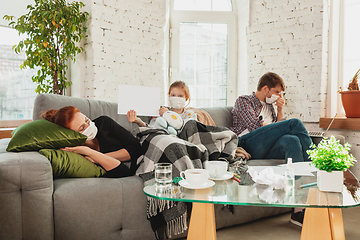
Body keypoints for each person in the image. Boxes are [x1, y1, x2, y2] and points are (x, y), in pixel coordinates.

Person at [231, 72, 311, 227]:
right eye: (276, 92)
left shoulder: (270, 107)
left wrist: (280, 111)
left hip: (265, 148)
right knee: (294, 123)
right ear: (265, 88)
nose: (278, 96)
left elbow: (276, 131)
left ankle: (298, 210)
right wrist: (280, 126)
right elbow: (254, 127)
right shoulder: (244, 100)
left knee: (292, 140)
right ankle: (314, 166)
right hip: (247, 144)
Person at [41, 106, 143, 178]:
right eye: (82, 128)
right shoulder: (76, 151)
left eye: (86, 120)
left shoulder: (104, 123)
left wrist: (98, 158)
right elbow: (123, 172)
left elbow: (137, 148)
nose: (88, 126)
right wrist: (89, 152)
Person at [127, 80, 216, 127]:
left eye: (180, 96)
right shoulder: (161, 111)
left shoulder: (190, 115)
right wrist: (137, 121)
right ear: (169, 96)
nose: (176, 98)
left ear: (186, 98)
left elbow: (188, 129)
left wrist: (167, 114)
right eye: (173, 95)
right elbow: (151, 129)